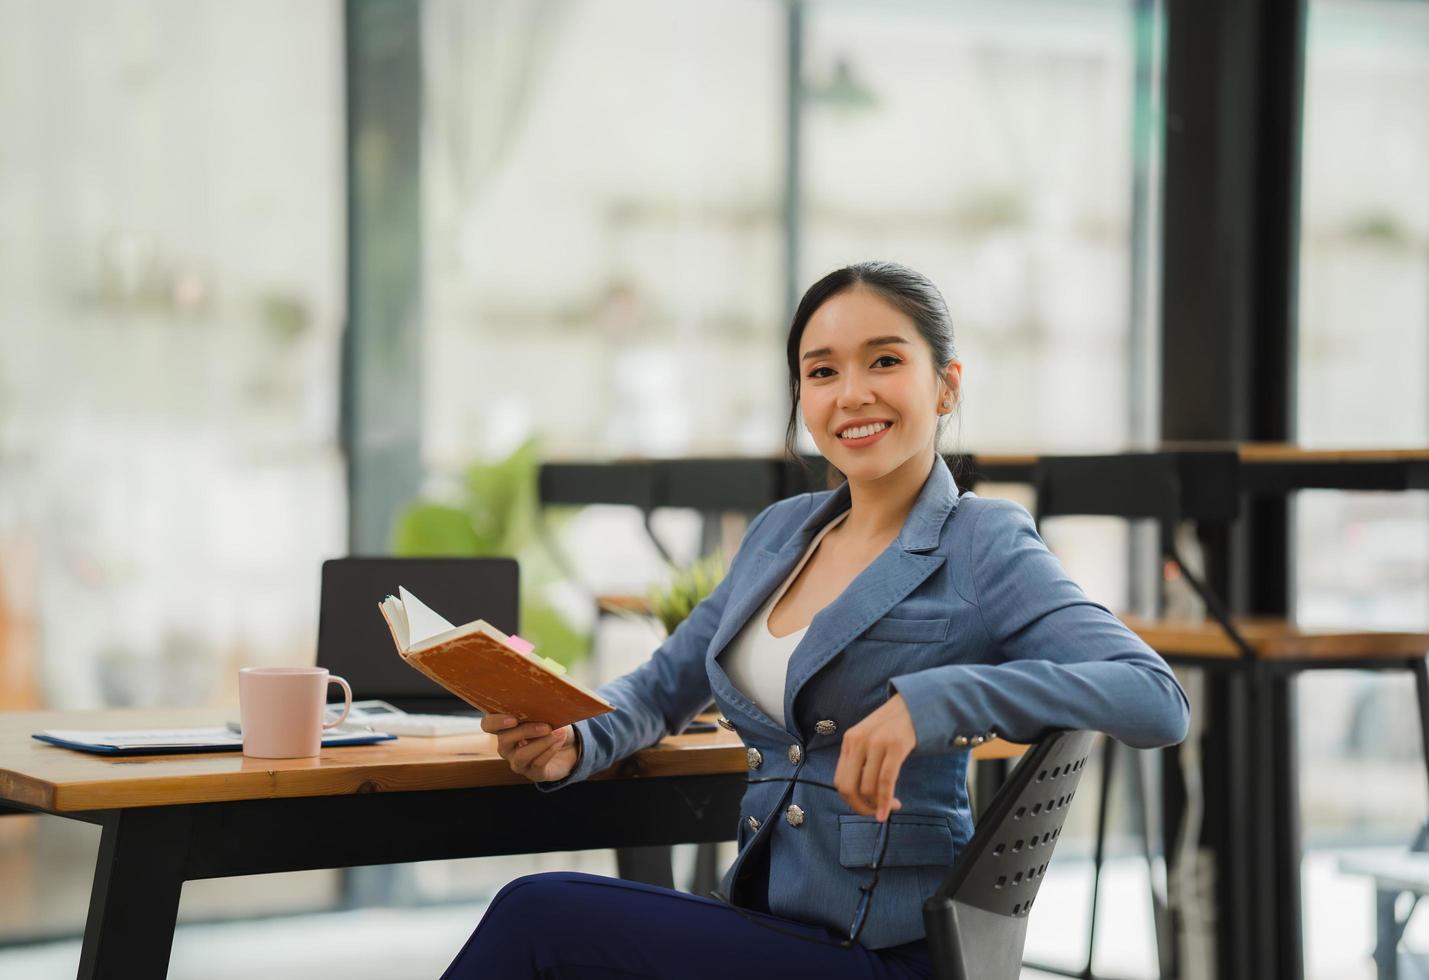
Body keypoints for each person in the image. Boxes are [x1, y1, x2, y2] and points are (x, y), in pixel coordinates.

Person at [441, 261, 1190, 979]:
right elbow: (663, 686)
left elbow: (1153, 697)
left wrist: (935, 702)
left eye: (884, 361)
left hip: (884, 950)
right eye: (822, 371)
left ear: (945, 387)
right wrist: (575, 738)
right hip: (769, 925)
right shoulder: (779, 533)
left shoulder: (981, 541)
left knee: (539, 914)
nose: (852, 394)